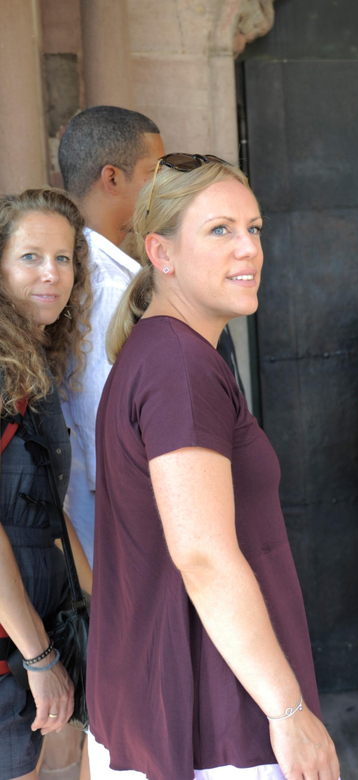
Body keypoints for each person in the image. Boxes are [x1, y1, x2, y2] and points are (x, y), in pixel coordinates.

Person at [87, 154, 340, 780]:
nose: (248, 248)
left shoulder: (162, 351)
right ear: (161, 253)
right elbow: (202, 555)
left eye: (253, 228)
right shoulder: (179, 365)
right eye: (220, 229)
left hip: (173, 704)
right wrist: (289, 712)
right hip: (217, 720)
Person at [0, 189, 92, 780]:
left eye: (63, 258)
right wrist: (38, 657)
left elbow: (46, 514)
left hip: (35, 627)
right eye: (31, 257)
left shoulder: (31, 361)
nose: (51, 274)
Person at [58, 105, 165, 567]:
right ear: (112, 178)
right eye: (153, 173)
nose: (162, 187)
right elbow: (105, 419)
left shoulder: (98, 269)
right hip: (117, 522)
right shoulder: (105, 285)